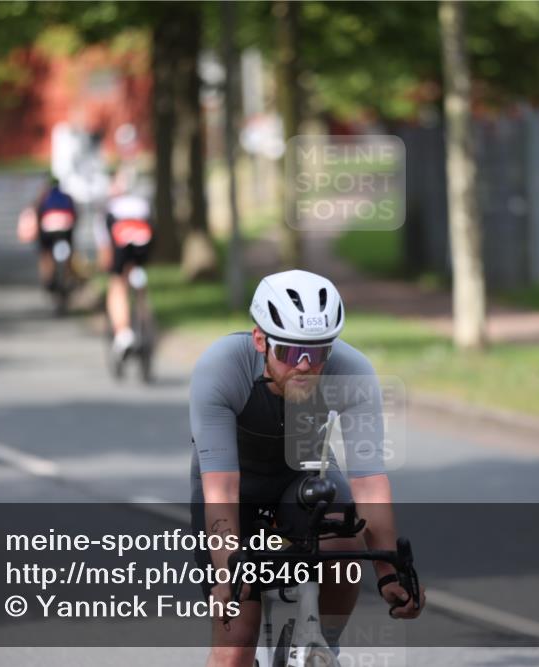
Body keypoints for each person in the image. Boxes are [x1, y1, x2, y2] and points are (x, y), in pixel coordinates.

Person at [189, 270, 425, 667]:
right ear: (260, 340)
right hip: (235, 491)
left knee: (344, 540)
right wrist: (227, 567)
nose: (304, 366)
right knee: (235, 648)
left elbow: (368, 485)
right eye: (289, 352)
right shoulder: (220, 368)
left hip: (303, 477)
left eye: (317, 354)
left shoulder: (354, 372)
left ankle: (320, 646)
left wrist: (389, 571)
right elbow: (221, 491)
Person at [95, 174, 154, 368]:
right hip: (143, 236)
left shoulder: (108, 209)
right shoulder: (142, 204)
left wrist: (106, 267)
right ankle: (145, 320)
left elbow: (105, 250)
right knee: (138, 276)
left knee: (117, 284)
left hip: (120, 235)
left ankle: (123, 334)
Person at [34, 175, 78, 291]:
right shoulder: (67, 197)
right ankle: (68, 276)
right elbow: (75, 214)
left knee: (45, 253)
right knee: (69, 252)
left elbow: (38, 213)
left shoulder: (43, 197)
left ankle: (47, 279)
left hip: (48, 228)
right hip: (65, 228)